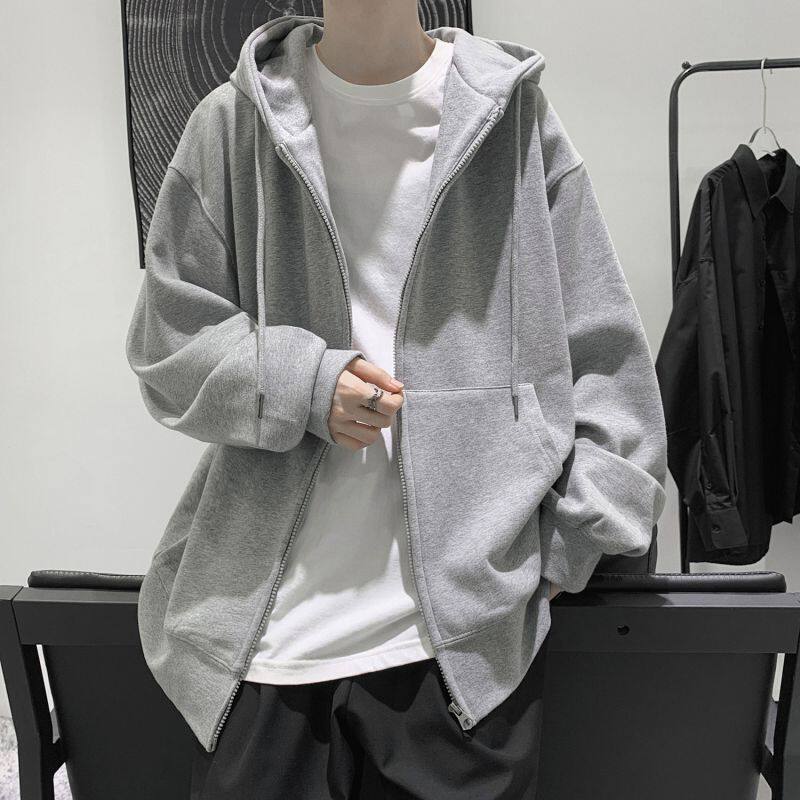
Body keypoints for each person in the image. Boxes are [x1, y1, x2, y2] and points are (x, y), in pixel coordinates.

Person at [125, 4, 668, 798]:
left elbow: (609, 366)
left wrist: (570, 543)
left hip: (463, 654)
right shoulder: (232, 123)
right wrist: (306, 383)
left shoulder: (514, 120)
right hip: (266, 644)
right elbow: (168, 345)